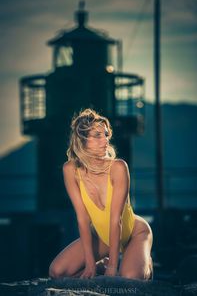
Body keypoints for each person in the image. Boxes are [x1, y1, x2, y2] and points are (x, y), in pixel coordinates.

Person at [49, 108, 153, 280]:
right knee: (57, 272)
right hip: (103, 238)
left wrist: (113, 266)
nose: (105, 140)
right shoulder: (70, 169)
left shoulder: (118, 167)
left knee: (129, 278)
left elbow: (116, 220)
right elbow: (83, 219)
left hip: (133, 234)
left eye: (106, 134)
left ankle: (146, 263)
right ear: (82, 140)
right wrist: (90, 265)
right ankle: (100, 265)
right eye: (97, 135)